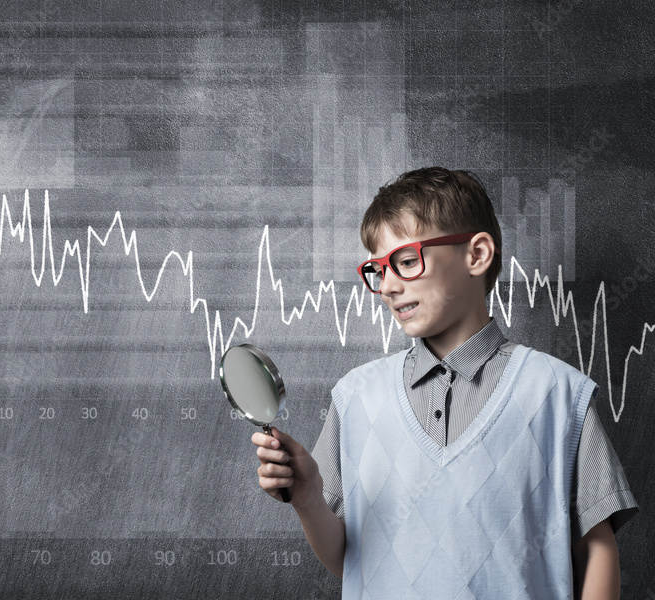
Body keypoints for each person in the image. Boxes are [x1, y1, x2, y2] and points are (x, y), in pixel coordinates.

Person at [252, 167, 637, 599]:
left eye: (407, 260)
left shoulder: (559, 395)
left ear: (477, 254)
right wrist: (308, 500)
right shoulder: (356, 397)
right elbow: (349, 558)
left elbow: (598, 550)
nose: (389, 287)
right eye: (378, 270)